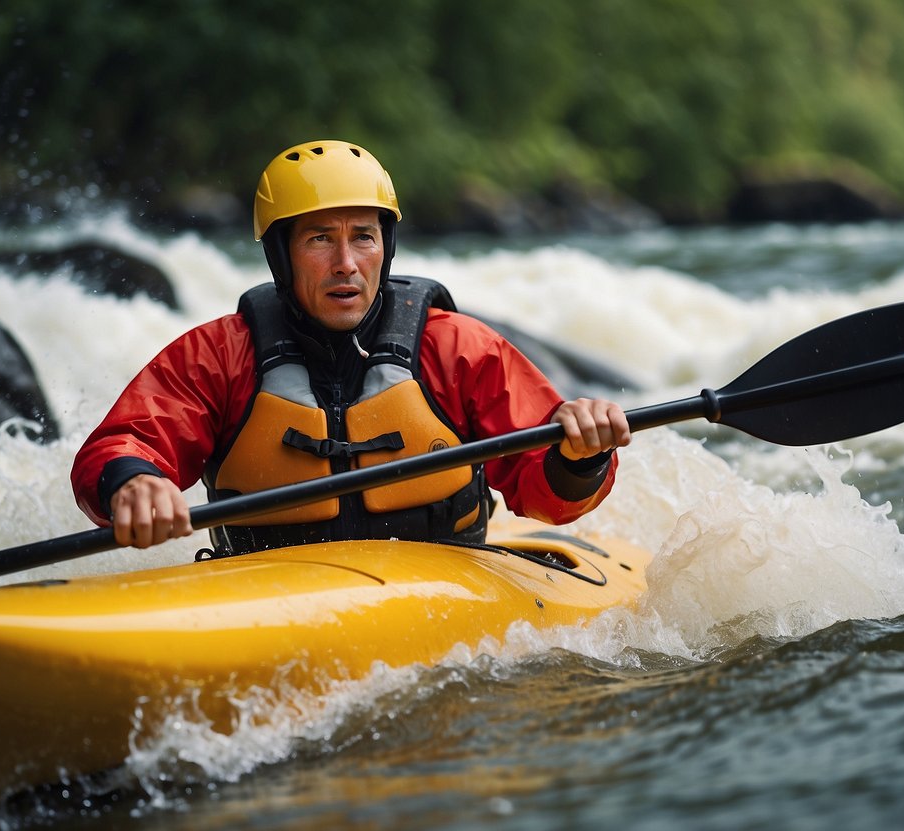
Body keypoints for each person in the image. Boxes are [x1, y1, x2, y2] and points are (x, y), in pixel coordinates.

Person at [71, 139, 631, 554]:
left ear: (385, 247)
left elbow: (548, 495)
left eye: (363, 236)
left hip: (445, 583)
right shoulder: (219, 355)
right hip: (267, 591)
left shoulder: (456, 348)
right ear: (280, 256)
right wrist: (134, 481)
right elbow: (121, 444)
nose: (346, 263)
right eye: (320, 239)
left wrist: (580, 457)